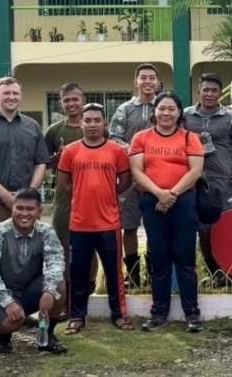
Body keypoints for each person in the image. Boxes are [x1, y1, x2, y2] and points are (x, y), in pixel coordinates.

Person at [0, 76, 50, 334]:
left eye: (15, 93)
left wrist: (29, 195)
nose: (11, 97)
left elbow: (41, 163)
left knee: (28, 256)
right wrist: (5, 195)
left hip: (27, 204)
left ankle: (23, 310)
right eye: (6, 93)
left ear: (21, 95)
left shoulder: (32, 126)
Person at [129, 91, 206, 333]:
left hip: (183, 202)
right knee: (159, 258)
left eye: (171, 109)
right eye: (161, 108)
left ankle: (192, 312)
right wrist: (159, 193)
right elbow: (137, 172)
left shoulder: (189, 138)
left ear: (179, 113)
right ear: (154, 112)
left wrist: (170, 194)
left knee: (185, 258)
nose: (166, 113)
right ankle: (159, 312)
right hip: (152, 201)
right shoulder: (141, 138)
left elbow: (195, 171)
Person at [56, 103, 134, 334]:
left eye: (96, 120)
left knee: (114, 271)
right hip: (80, 223)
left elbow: (125, 182)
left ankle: (119, 313)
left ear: (104, 123)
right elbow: (63, 184)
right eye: (87, 120)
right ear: (81, 123)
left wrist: (108, 194)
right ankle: (77, 316)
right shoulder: (70, 151)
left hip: (109, 223)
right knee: (78, 271)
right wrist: (83, 194)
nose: (92, 125)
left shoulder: (116, 151)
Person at [0, 189, 67, 355]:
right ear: (13, 209)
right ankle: (1, 334)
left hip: (28, 288)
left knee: (59, 285)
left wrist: (48, 290)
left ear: (39, 211)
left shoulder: (46, 231)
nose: (24, 213)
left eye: (30, 209)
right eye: (19, 208)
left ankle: (47, 336)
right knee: (12, 323)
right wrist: (7, 301)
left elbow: (56, 262)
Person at [44, 83, 107, 315]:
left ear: (83, 100)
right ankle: (68, 297)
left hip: (94, 197)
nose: (71, 104)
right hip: (64, 198)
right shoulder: (53, 131)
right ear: (61, 103)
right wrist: (58, 157)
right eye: (66, 100)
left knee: (91, 247)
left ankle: (88, 291)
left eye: (75, 99)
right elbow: (44, 163)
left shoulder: (97, 128)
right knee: (64, 245)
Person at [184, 73, 232, 285]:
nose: (210, 94)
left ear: (220, 93)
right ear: (198, 92)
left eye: (214, 90)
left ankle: (231, 271)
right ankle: (214, 272)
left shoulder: (230, 117)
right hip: (193, 178)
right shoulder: (186, 116)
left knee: (225, 226)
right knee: (202, 228)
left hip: (223, 181)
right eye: (206, 90)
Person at [109, 63, 160, 288]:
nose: (148, 82)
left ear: (157, 82)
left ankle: (154, 272)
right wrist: (138, 153)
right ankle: (132, 274)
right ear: (136, 82)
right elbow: (114, 138)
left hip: (160, 176)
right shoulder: (125, 109)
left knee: (155, 224)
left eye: (152, 78)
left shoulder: (165, 106)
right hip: (130, 176)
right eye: (143, 78)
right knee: (129, 225)